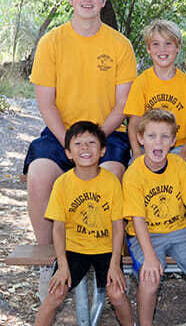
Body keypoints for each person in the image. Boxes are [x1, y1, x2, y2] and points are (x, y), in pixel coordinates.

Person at [23, 0, 136, 300]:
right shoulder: (51, 42)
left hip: (108, 133)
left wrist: (93, 143)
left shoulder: (120, 45)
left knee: (112, 177)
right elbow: (46, 104)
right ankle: (51, 264)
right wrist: (71, 144)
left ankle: (107, 262)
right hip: (60, 133)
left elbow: (122, 105)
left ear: (103, 0)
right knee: (40, 176)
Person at [122, 109, 186, 326]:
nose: (158, 143)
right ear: (140, 139)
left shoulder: (179, 167)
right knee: (150, 277)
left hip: (179, 230)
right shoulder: (134, 174)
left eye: (165, 137)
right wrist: (149, 256)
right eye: (152, 136)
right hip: (145, 235)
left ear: (174, 140)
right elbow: (137, 219)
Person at [34, 121, 133, 326]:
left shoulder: (111, 182)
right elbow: (58, 228)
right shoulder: (62, 183)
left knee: (117, 294)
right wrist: (62, 265)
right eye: (78, 144)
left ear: (103, 150)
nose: (85, 148)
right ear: (68, 153)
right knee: (55, 293)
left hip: (106, 248)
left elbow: (117, 226)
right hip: (74, 248)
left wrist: (115, 263)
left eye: (91, 142)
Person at [124, 19, 186, 169]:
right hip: (148, 146)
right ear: (148, 48)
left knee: (181, 169)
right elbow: (134, 123)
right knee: (136, 170)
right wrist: (136, 152)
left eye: (168, 43)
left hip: (180, 145)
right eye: (156, 44)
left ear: (177, 48)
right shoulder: (141, 82)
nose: (162, 49)